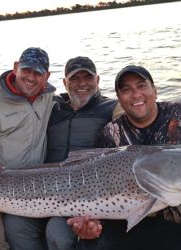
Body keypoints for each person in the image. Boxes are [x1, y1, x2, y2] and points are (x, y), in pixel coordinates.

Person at [0, 47, 55, 250]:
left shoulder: (49, 99)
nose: (31, 78)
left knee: (21, 232)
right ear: (16, 67)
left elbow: (83, 101)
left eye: (38, 73)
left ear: (47, 76)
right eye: (26, 70)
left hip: (34, 190)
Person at [96, 65, 181, 250]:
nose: (136, 94)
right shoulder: (109, 134)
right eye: (126, 90)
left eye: (141, 86)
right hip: (132, 225)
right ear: (119, 99)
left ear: (154, 90)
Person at [45, 56, 117, 250]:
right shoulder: (51, 106)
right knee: (16, 227)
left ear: (98, 80)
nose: (82, 83)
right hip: (43, 185)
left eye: (88, 77)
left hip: (86, 192)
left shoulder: (112, 108)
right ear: (64, 83)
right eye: (75, 78)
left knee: (57, 234)